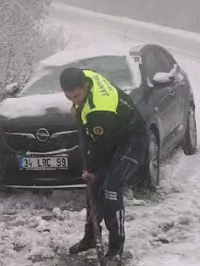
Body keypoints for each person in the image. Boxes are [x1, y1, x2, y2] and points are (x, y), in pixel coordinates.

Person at [59, 67, 148, 260]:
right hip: (112, 133)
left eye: (77, 96)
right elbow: (89, 136)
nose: (74, 101)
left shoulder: (100, 111)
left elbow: (101, 147)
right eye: (69, 97)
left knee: (111, 189)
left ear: (86, 87)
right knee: (95, 186)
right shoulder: (86, 75)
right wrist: (92, 172)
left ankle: (116, 248)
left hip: (131, 138)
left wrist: (90, 169)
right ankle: (91, 237)